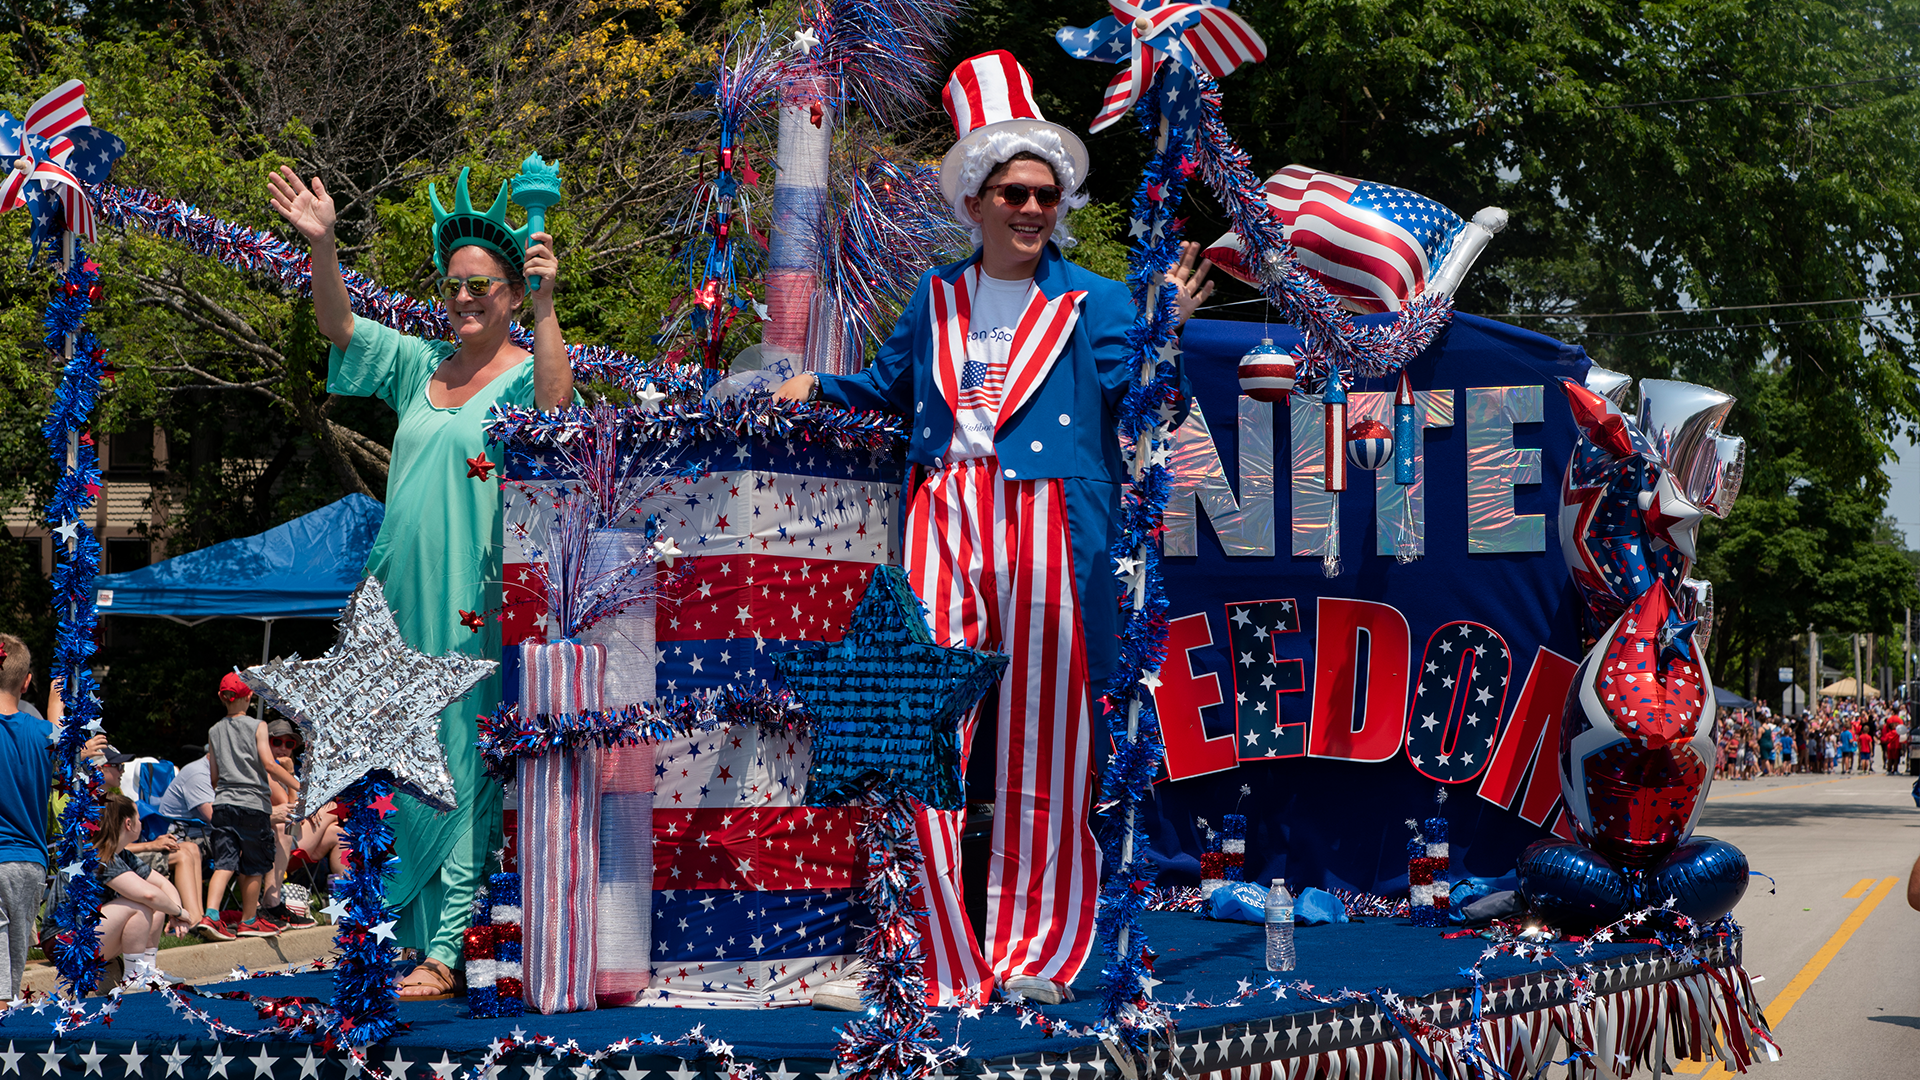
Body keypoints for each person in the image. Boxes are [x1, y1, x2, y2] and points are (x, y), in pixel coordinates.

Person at [777, 51, 1212, 1007]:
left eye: (1047, 195)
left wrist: (1166, 334)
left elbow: (1151, 410)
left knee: (1047, 736)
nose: (1032, 208)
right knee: (915, 719)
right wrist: (816, 389)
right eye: (1014, 192)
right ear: (975, 201)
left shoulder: (1098, 298)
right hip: (945, 506)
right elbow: (887, 390)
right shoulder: (935, 296)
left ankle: (1032, 952)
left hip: (1053, 515)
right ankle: (917, 953)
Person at [269, 159, 571, 1000]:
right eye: (453, 286)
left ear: (510, 292)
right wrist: (323, 246)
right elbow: (339, 326)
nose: (464, 298)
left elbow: (556, 414)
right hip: (395, 602)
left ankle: (449, 949)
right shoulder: (416, 365)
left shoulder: (522, 370)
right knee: (396, 766)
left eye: (481, 286)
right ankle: (399, 937)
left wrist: (549, 306)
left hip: (472, 603)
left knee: (462, 764)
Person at [201, 673, 299, 940]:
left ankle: (211, 915)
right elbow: (269, 764)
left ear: (221, 697)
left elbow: (214, 778)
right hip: (253, 805)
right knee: (254, 864)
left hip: (223, 803)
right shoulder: (258, 725)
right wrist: (296, 784)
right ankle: (249, 920)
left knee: (224, 862)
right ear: (250, 696)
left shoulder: (214, 730)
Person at [93, 792, 194, 979]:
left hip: (95, 938)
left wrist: (175, 913)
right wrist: (181, 913)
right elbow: (149, 895)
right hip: (68, 946)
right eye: (139, 818)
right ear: (128, 824)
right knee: (142, 905)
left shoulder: (123, 854)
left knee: (158, 904)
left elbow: (163, 884)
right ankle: (134, 977)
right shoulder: (100, 856)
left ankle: (148, 971)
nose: (141, 823)